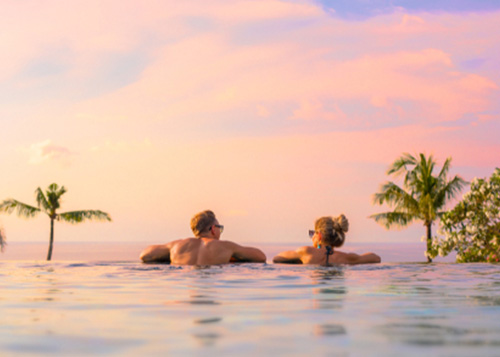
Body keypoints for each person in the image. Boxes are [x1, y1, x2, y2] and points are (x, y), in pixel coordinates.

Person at [140, 210, 266, 265]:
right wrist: (233, 257)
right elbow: (261, 257)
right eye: (219, 228)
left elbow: (145, 255)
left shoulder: (176, 246)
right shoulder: (226, 246)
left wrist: (171, 255)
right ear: (212, 229)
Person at [273, 214, 381, 265]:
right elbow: (376, 258)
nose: (312, 237)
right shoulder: (347, 257)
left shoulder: (306, 252)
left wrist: (298, 260)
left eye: (312, 234)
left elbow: (277, 258)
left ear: (319, 236)